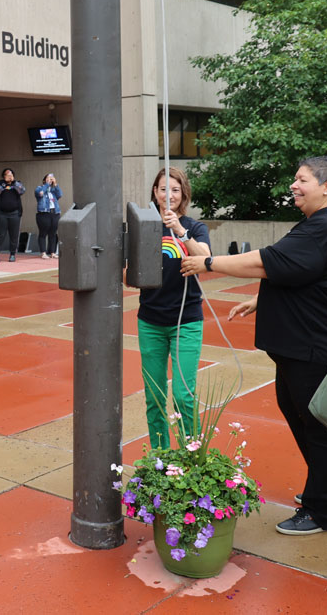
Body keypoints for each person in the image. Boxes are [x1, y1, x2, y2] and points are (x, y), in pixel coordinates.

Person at [181, 156, 327, 536]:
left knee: (316, 426)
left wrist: (210, 262)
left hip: (313, 344)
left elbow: (270, 261)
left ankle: (320, 510)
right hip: (300, 345)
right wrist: (262, 300)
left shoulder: (323, 226)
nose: (294, 185)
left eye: (302, 180)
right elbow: (304, 272)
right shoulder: (317, 225)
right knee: (297, 412)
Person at [136, 168, 211, 449]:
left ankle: (192, 456)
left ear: (184, 195)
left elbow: (206, 258)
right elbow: (128, 274)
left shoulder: (194, 227)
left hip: (186, 321)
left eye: (175, 190)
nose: (169, 195)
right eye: (163, 189)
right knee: (154, 396)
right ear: (155, 193)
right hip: (151, 321)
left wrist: (180, 231)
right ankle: (160, 456)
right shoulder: (143, 227)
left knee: (183, 395)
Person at [0, 168, 25, 262]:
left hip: (15, 213)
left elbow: (22, 191)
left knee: (14, 235)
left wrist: (14, 183)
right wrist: (4, 184)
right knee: (0, 234)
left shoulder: (17, 184)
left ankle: (12, 254)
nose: (9, 176)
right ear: (3, 176)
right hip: (1, 214)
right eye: (7, 175)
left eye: (11, 175)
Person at [34, 173, 63, 259]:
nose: (50, 180)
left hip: (55, 213)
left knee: (53, 234)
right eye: (48, 178)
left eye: (51, 178)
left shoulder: (53, 190)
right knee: (43, 233)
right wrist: (46, 184)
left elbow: (60, 194)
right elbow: (40, 194)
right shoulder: (39, 188)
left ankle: (52, 252)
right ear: (44, 180)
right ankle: (43, 253)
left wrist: (55, 184)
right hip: (43, 213)